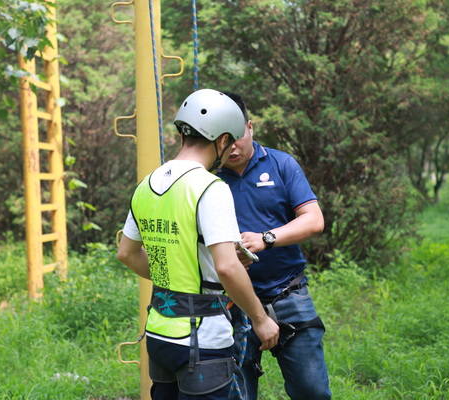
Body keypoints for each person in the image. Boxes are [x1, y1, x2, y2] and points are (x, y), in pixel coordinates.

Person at [117, 89, 279, 400]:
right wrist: (261, 319)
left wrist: (177, 277)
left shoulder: (146, 185)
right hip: (201, 340)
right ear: (221, 141)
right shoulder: (209, 188)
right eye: (229, 142)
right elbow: (227, 267)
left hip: (159, 334)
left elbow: (126, 253)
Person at [217, 93, 332, 400]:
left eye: (237, 136)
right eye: (222, 139)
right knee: (236, 395)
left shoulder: (281, 164)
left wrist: (266, 239)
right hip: (233, 301)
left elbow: (313, 220)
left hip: (288, 293)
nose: (232, 147)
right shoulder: (208, 178)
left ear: (250, 127)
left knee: (313, 391)